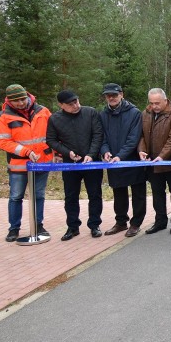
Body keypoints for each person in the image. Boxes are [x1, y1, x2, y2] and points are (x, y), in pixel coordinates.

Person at [46, 90, 104, 241]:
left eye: (76, 101)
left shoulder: (90, 112)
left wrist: (91, 155)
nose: (75, 105)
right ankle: (72, 227)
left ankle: (94, 225)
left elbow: (98, 135)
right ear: (61, 105)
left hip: (92, 162)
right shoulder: (54, 119)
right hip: (70, 164)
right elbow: (51, 140)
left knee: (95, 194)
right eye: (70, 104)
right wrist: (67, 152)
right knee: (71, 196)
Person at [0, 84, 54, 242]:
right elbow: (3, 142)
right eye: (17, 101)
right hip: (19, 165)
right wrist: (26, 151)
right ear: (9, 101)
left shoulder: (43, 111)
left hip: (42, 162)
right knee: (16, 196)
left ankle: (38, 225)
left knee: (38, 195)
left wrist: (56, 153)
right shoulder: (4, 117)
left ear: (27, 96)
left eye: (23, 99)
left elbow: (53, 134)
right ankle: (14, 228)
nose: (21, 103)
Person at [99, 83, 146, 238]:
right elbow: (102, 137)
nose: (111, 98)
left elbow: (134, 138)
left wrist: (121, 155)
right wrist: (105, 151)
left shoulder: (134, 113)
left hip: (131, 159)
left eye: (114, 95)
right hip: (113, 161)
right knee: (118, 192)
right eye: (108, 95)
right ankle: (120, 222)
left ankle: (136, 223)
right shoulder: (103, 114)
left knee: (138, 193)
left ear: (121, 95)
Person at [138, 88, 171, 235]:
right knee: (157, 194)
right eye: (151, 103)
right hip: (152, 163)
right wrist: (142, 150)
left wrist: (163, 156)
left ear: (165, 100)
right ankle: (160, 221)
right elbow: (141, 136)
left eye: (157, 103)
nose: (154, 106)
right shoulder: (145, 113)